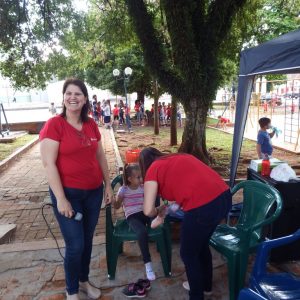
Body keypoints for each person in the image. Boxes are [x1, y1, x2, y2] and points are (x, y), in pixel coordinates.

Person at [39, 78, 114, 300]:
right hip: (68, 194)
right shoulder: (55, 124)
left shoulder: (91, 124)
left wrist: (108, 184)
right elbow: (48, 163)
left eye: (78, 94)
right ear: (63, 97)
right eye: (69, 93)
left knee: (88, 241)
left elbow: (100, 155)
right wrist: (61, 199)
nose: (73, 97)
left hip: (93, 192)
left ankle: (83, 281)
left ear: (84, 99)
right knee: (75, 245)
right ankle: (71, 291)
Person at [139, 147, 232, 300]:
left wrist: (157, 212)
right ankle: (206, 286)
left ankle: (196, 295)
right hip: (224, 197)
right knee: (201, 245)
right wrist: (163, 209)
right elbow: (186, 187)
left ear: (145, 165)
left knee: (188, 254)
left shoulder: (152, 169)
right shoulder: (179, 157)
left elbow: (148, 211)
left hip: (203, 206)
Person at [114, 164, 156, 283]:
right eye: (138, 177)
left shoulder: (143, 187)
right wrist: (113, 200)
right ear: (130, 179)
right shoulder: (123, 190)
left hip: (144, 213)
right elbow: (117, 206)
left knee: (157, 219)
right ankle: (148, 264)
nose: (141, 179)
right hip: (132, 217)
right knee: (142, 232)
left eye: (141, 176)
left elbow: (150, 201)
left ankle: (160, 242)